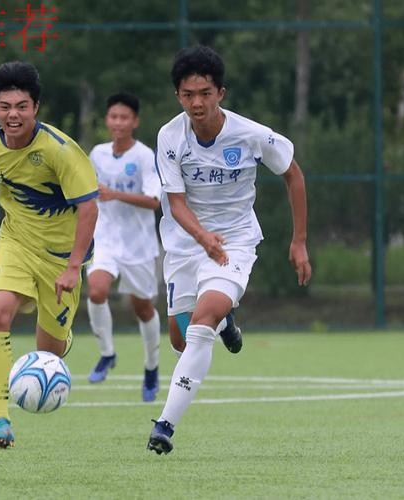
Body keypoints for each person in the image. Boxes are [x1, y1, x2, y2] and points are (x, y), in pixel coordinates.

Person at [147, 45, 312, 454]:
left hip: (235, 240)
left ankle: (164, 426)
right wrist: (202, 237)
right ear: (178, 96)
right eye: (188, 95)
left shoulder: (251, 134)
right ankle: (226, 324)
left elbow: (293, 175)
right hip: (185, 242)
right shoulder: (170, 136)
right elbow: (176, 203)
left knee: (201, 323)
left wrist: (299, 241)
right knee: (179, 339)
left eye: (205, 93)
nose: (197, 103)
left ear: (220, 93)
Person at [0, 61, 99, 449]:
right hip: (15, 245)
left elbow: (89, 209)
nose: (13, 115)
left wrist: (73, 268)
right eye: (5, 107)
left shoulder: (60, 151)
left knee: (49, 352)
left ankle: (62, 337)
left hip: (61, 259)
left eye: (22, 106)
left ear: (36, 107)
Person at [84, 92, 163, 402]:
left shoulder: (144, 156)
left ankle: (152, 367)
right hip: (104, 238)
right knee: (96, 291)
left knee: (142, 308)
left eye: (124, 117)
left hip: (138, 244)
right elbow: (88, 192)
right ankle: (107, 354)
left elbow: (154, 200)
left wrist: (115, 194)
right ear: (107, 120)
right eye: (113, 116)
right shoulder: (97, 153)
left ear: (135, 122)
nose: (118, 122)